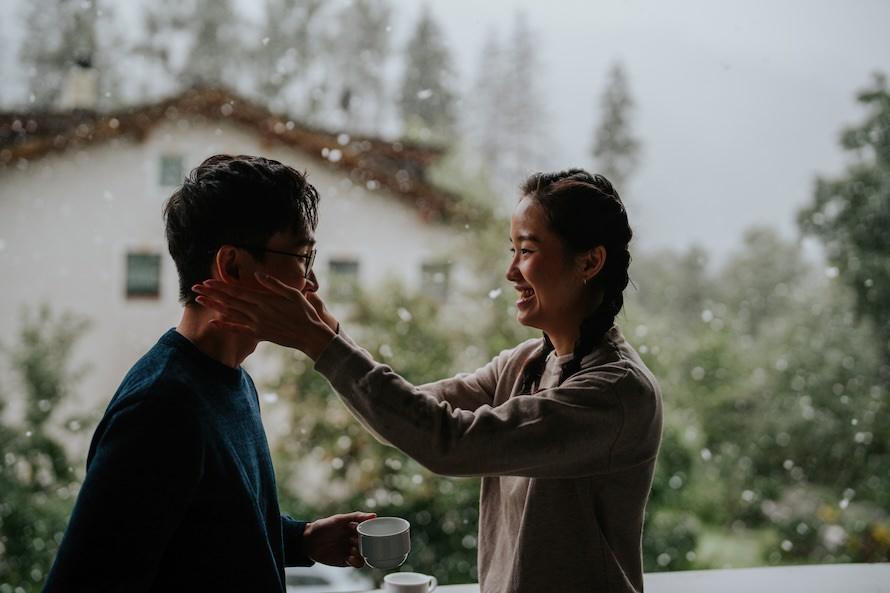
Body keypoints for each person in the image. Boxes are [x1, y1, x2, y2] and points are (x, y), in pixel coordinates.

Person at [194, 169, 663, 593]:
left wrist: (319, 342)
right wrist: (327, 331)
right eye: (512, 251)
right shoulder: (524, 364)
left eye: (527, 250)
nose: (510, 271)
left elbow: (448, 442)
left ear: (589, 262)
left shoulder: (616, 393)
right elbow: (410, 416)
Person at [43, 155, 374, 593]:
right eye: (302, 257)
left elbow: (209, 530)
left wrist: (301, 539)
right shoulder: (161, 408)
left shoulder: (233, 382)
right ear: (232, 266)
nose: (311, 285)